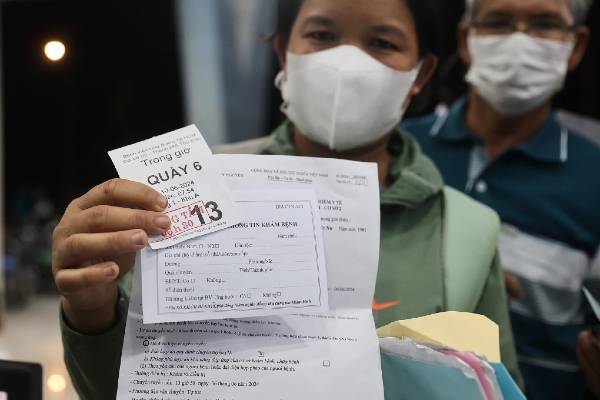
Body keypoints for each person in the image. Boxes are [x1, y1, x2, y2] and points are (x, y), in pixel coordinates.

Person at [53, 1, 521, 398]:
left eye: (382, 42)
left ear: (421, 73)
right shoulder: (193, 188)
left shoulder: (468, 229)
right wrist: (91, 309)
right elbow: (119, 387)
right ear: (283, 52)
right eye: (322, 35)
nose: (346, 62)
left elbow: (494, 386)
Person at [403, 0, 599, 398]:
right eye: (499, 21)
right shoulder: (399, 151)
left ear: (576, 46)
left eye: (544, 23)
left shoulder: (594, 175)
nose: (519, 40)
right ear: (465, 38)